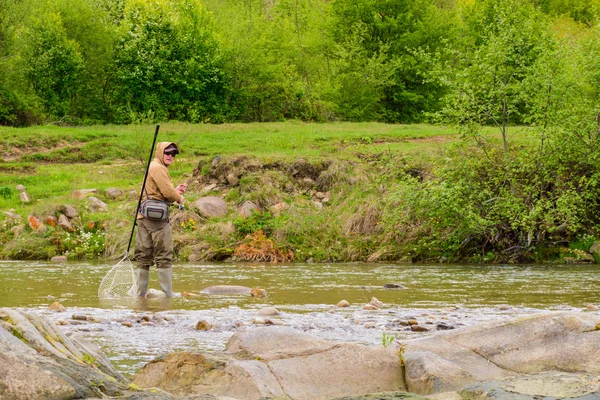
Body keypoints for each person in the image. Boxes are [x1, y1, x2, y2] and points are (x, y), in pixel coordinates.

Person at [134, 142, 187, 297]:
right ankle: (168, 293)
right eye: (167, 152)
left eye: (174, 153)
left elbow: (159, 192)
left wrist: (173, 191)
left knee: (144, 255)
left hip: (143, 216)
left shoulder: (153, 166)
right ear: (160, 152)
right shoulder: (159, 168)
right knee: (164, 254)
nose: (171, 156)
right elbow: (168, 193)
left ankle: (140, 294)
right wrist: (179, 197)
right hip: (157, 219)